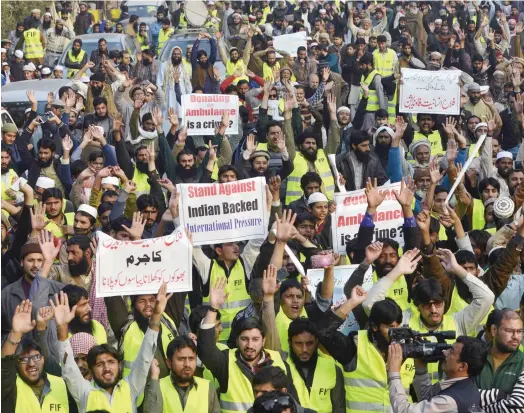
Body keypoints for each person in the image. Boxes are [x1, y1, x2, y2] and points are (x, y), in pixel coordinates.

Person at [56, 283, 170, 412]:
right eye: (99, 364)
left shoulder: (130, 388)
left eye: (111, 362)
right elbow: (68, 367)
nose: (106, 368)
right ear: (92, 369)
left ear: (119, 366)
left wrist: (156, 316)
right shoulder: (84, 392)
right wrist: (62, 327)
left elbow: (145, 355)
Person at [1, 300, 72, 412]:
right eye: (23, 359)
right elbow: (4, 368)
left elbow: (69, 367)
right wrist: (15, 334)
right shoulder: (9, 387)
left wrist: (61, 326)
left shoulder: (61, 384)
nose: (31, 364)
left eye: (36, 357)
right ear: (16, 363)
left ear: (42, 359)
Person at [387, 336, 488, 412]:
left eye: (451, 351)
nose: (445, 352)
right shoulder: (467, 385)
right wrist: (421, 366)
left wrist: (394, 371)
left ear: (462, 366)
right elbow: (426, 397)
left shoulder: (449, 401)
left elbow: (404, 411)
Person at [143, 335, 221, 413]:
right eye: (181, 359)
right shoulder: (157, 386)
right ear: (169, 363)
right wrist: (154, 377)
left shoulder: (207, 387)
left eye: (191, 359)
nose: (187, 364)